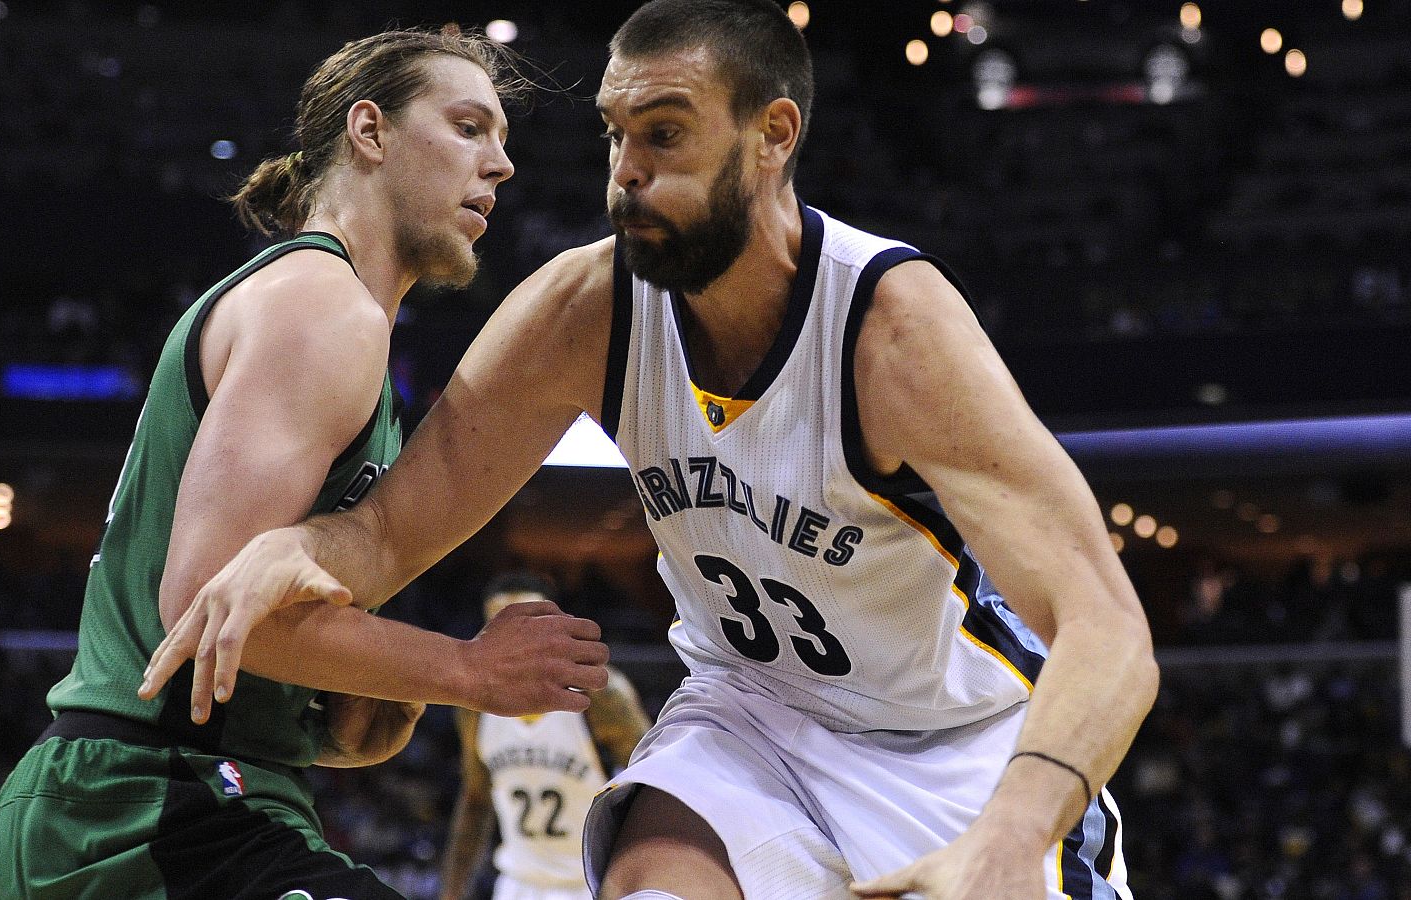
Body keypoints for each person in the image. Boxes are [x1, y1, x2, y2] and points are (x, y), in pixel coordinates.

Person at [140, 1, 1160, 897]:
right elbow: (390, 530)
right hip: (747, 717)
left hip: (951, 743)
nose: (625, 174)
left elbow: (1107, 632)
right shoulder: (582, 313)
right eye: (614, 137)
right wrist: (305, 550)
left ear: (772, 137)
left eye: (664, 136)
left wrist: (1013, 833)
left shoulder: (891, 331)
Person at [0, 28, 609, 899]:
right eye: (470, 128)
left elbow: (247, 644)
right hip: (148, 805)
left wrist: (335, 723)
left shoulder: (334, 323)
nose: (500, 165)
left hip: (174, 798)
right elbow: (202, 604)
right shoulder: (322, 304)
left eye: (503, 141)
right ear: (370, 132)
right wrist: (468, 670)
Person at [440, 573, 653, 900]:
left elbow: (652, 789)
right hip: (517, 885)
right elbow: (475, 799)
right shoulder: (474, 707)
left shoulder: (601, 694)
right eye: (501, 625)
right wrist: (452, 893)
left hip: (591, 883)